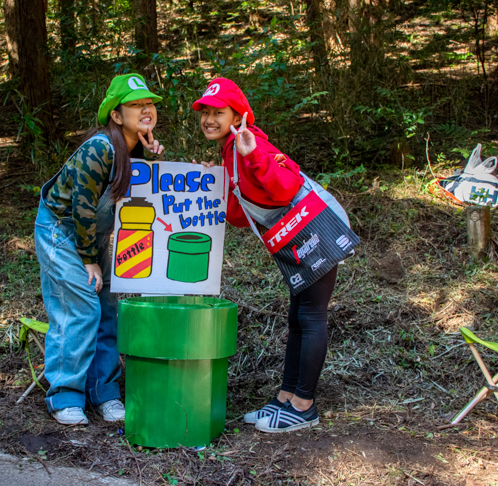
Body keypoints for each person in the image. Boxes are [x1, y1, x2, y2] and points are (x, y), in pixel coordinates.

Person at [192, 78, 352, 433]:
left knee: (311, 315)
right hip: (295, 236)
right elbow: (240, 215)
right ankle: (286, 398)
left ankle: (303, 406)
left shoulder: (251, 143)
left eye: (218, 112)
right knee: (299, 316)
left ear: (238, 114)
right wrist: (218, 184)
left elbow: (284, 187)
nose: (209, 119)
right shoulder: (229, 151)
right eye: (205, 112)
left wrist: (253, 156)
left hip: (316, 229)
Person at [34, 74, 164, 425]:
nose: (145, 109)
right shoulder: (99, 148)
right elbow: (83, 207)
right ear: (116, 116)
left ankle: (103, 391)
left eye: (148, 103)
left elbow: (143, 197)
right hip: (62, 231)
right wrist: (90, 261)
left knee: (108, 308)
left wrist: (150, 159)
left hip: (94, 234)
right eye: (135, 105)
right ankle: (64, 395)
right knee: (80, 309)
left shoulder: (134, 148)